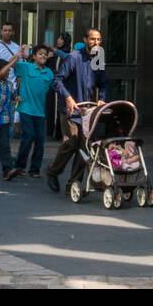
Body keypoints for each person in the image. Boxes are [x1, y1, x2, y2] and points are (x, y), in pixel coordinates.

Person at [45, 28, 107, 193]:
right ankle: (52, 171)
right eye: (93, 39)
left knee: (84, 147)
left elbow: (103, 82)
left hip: (88, 110)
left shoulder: (98, 58)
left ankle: (73, 185)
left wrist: (102, 97)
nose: (96, 43)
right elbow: (57, 80)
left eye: (99, 39)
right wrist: (68, 98)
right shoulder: (74, 57)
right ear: (85, 39)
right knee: (71, 142)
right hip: (70, 109)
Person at [8, 44, 55, 179]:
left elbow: (57, 86)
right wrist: (19, 54)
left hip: (40, 112)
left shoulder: (49, 73)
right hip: (26, 109)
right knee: (28, 136)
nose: (43, 56)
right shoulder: (26, 67)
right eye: (40, 53)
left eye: (45, 54)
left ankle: (35, 169)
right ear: (33, 56)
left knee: (40, 140)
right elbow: (10, 64)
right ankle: (19, 166)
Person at [46, 33, 71, 141]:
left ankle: (59, 134)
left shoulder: (68, 54)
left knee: (59, 109)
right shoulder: (53, 54)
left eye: (61, 39)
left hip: (62, 85)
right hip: (52, 84)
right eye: (59, 38)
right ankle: (51, 132)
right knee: (51, 107)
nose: (58, 40)